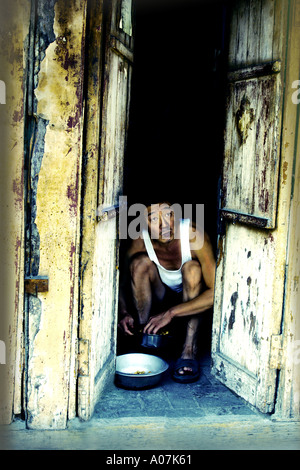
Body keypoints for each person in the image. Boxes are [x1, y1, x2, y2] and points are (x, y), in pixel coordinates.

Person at [118, 201, 216, 383]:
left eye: (169, 214)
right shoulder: (139, 240)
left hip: (192, 295)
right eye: (154, 218)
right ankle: (145, 340)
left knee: (192, 270)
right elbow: (120, 282)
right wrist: (123, 312)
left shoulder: (194, 235)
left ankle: (189, 349)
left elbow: (216, 292)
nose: (164, 225)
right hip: (159, 292)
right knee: (139, 265)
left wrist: (171, 313)